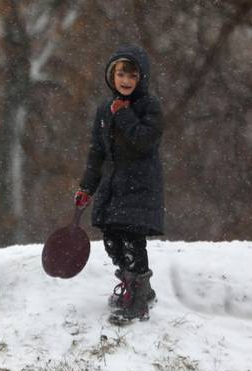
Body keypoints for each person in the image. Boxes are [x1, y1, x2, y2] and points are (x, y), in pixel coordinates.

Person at [74, 44, 164, 325]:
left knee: (131, 240)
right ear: (111, 76)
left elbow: (143, 140)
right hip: (113, 186)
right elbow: (97, 152)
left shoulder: (150, 107)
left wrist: (123, 113)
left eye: (132, 76)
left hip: (140, 186)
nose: (125, 81)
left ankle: (138, 298)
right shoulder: (104, 109)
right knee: (112, 240)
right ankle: (134, 285)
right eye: (121, 74)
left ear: (142, 79)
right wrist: (87, 187)